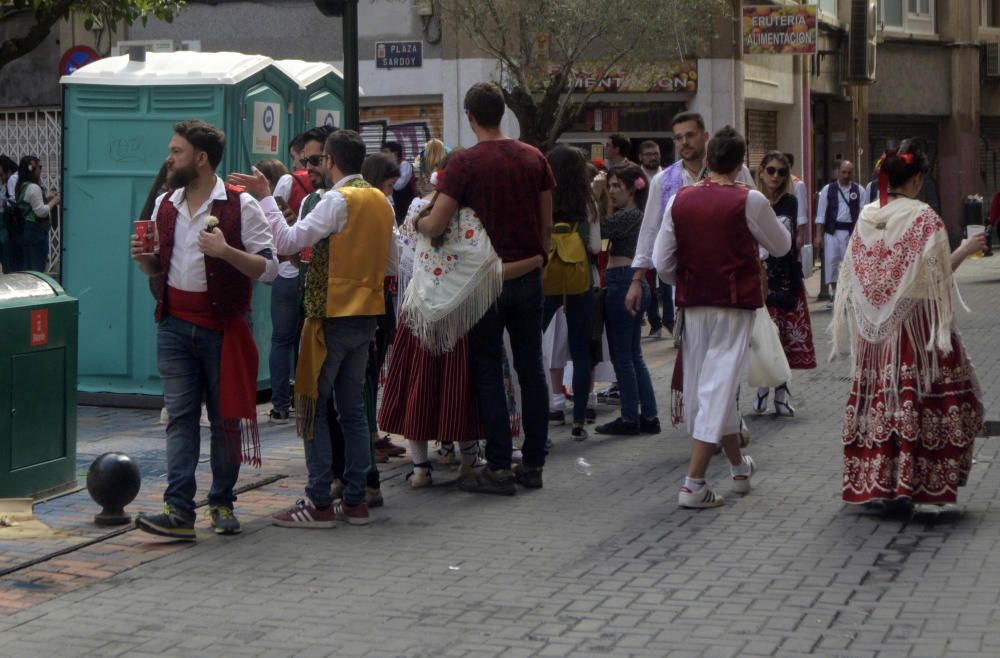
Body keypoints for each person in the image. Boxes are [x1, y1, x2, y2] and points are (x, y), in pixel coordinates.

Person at [131, 120, 278, 540]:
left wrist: (226, 251)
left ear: (200, 158)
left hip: (223, 327)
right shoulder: (166, 204)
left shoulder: (240, 204)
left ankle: (221, 502)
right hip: (174, 323)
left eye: (177, 151)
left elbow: (270, 269)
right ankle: (178, 510)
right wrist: (143, 259)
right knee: (179, 418)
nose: (169, 158)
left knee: (225, 420)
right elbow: (158, 268)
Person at [251, 129, 395, 528]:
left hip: (329, 316)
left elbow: (286, 240)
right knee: (352, 410)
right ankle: (355, 499)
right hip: (366, 315)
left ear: (330, 160)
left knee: (312, 408)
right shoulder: (381, 201)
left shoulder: (336, 200)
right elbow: (392, 265)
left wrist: (265, 196)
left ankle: (317, 501)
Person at [831, 139, 985, 507]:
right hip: (917, 333)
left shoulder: (868, 215)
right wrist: (964, 249)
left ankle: (878, 483)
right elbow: (935, 279)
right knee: (919, 400)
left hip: (874, 336)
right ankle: (915, 483)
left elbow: (854, 275)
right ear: (917, 179)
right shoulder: (923, 218)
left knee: (880, 402)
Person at [420, 81, 554, 494]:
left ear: (470, 117)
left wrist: (419, 222)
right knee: (531, 368)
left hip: (482, 285)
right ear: (503, 113)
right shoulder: (535, 158)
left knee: (488, 369)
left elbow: (438, 223)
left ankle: (497, 464)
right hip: (528, 274)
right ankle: (533, 464)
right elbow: (545, 224)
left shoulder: (465, 165)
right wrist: (538, 259)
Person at [379, 157, 543, 487]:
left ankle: (421, 466)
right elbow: (489, 271)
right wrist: (536, 260)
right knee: (461, 391)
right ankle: (469, 460)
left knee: (419, 389)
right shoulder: (475, 222)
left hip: (419, 315)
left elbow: (409, 253)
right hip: (459, 320)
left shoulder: (420, 213)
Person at [653, 126, 790, 509]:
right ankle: (693, 483)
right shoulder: (751, 200)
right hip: (733, 304)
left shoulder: (679, 199)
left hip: (693, 303)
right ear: (741, 162)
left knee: (710, 386)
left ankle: (738, 467)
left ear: (708, 160)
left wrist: (690, 274)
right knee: (717, 387)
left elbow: (663, 263)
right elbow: (780, 246)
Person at [628, 111, 755, 317]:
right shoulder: (663, 181)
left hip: (733, 277)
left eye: (690, 135)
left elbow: (754, 219)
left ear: (706, 136)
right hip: (688, 280)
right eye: (678, 138)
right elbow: (651, 229)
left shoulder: (736, 170)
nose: (684, 142)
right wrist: (637, 279)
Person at [265, 127, 330, 425]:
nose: (302, 164)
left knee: (281, 339)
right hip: (313, 275)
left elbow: (274, 221)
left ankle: (280, 404)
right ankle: (305, 395)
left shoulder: (287, 182)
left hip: (288, 270)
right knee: (306, 340)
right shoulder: (331, 191)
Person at [595, 163, 660, 436]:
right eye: (609, 186)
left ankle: (630, 417)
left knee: (624, 356)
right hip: (630, 282)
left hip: (623, 282)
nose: (611, 191)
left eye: (616, 186)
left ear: (633, 188)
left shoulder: (630, 215)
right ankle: (648, 416)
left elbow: (599, 229)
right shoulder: (635, 214)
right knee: (633, 355)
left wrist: (595, 196)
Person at [753, 151, 816, 416]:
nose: (776, 176)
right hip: (758, 279)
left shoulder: (790, 201)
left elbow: (786, 237)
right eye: (771, 170)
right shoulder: (752, 200)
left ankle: (779, 394)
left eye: (781, 171)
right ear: (762, 172)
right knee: (762, 339)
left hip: (786, 277)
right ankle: (761, 391)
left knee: (784, 338)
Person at [541, 145, 597, 441]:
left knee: (537, 348)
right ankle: (578, 422)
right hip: (580, 280)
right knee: (580, 350)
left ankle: (542, 415)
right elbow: (597, 247)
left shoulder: (543, 197)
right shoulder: (587, 204)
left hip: (546, 277)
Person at [814, 160, 866, 308]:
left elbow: (863, 214)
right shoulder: (827, 190)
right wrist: (818, 235)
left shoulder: (859, 190)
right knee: (831, 263)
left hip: (851, 232)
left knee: (851, 264)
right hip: (832, 232)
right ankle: (835, 293)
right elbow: (821, 214)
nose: (846, 175)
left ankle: (849, 294)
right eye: (843, 172)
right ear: (838, 172)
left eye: (849, 172)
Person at [14, 155, 59, 272]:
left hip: (27, 230)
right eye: (39, 167)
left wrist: (47, 199)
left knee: (28, 268)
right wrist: (54, 201)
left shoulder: (22, 186)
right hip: (36, 231)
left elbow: (31, 205)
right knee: (37, 268)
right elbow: (41, 212)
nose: (40, 169)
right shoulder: (34, 187)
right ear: (33, 169)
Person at [382, 140, 415, 226]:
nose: (384, 155)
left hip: (404, 207)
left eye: (386, 152)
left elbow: (398, 186)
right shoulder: (387, 167)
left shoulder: (405, 165)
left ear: (395, 154)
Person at [0, 155, 20, 273]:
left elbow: (13, 201)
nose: (1, 178)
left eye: (1, 174)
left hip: (8, 223)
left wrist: (4, 203)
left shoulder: (13, 179)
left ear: (9, 172)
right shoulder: (5, 183)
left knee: (8, 254)